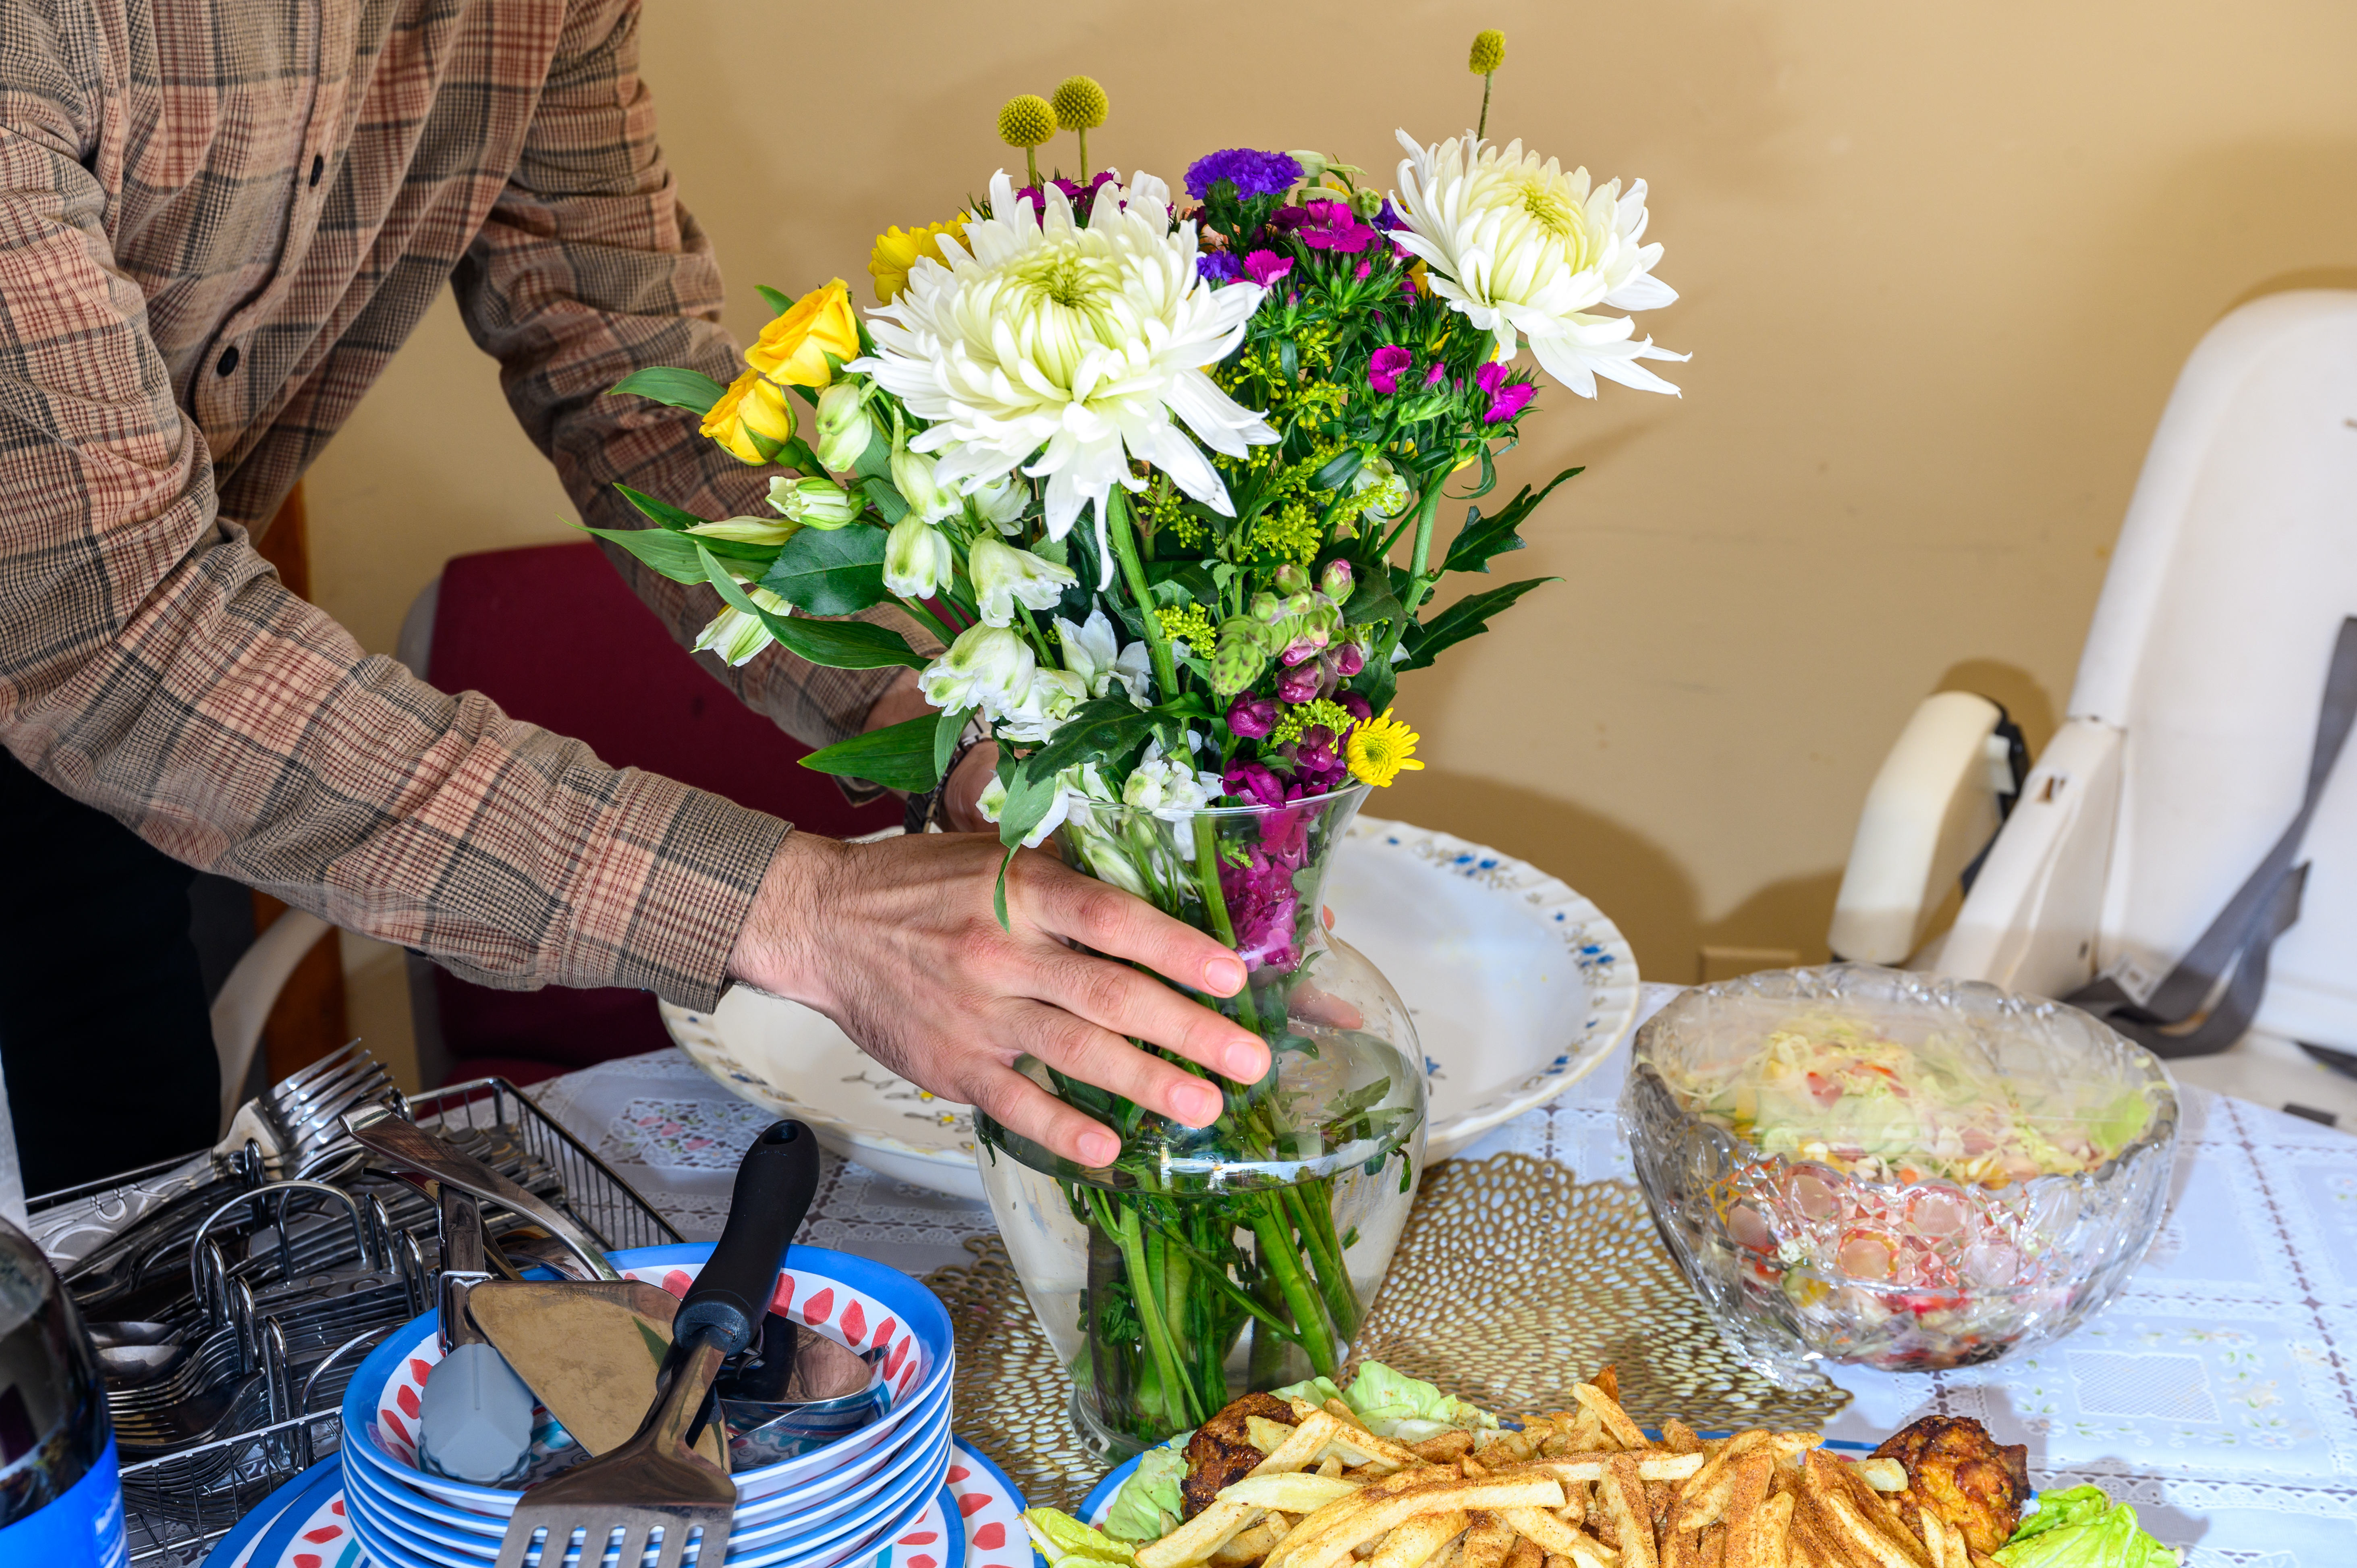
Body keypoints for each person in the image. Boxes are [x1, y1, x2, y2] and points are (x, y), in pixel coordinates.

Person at [0, 0, 1266, 1195]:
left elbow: (639, 390)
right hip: (118, 666)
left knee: (130, 1308)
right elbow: (111, 623)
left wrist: (986, 730)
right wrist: (799, 911)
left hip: (103, 798)